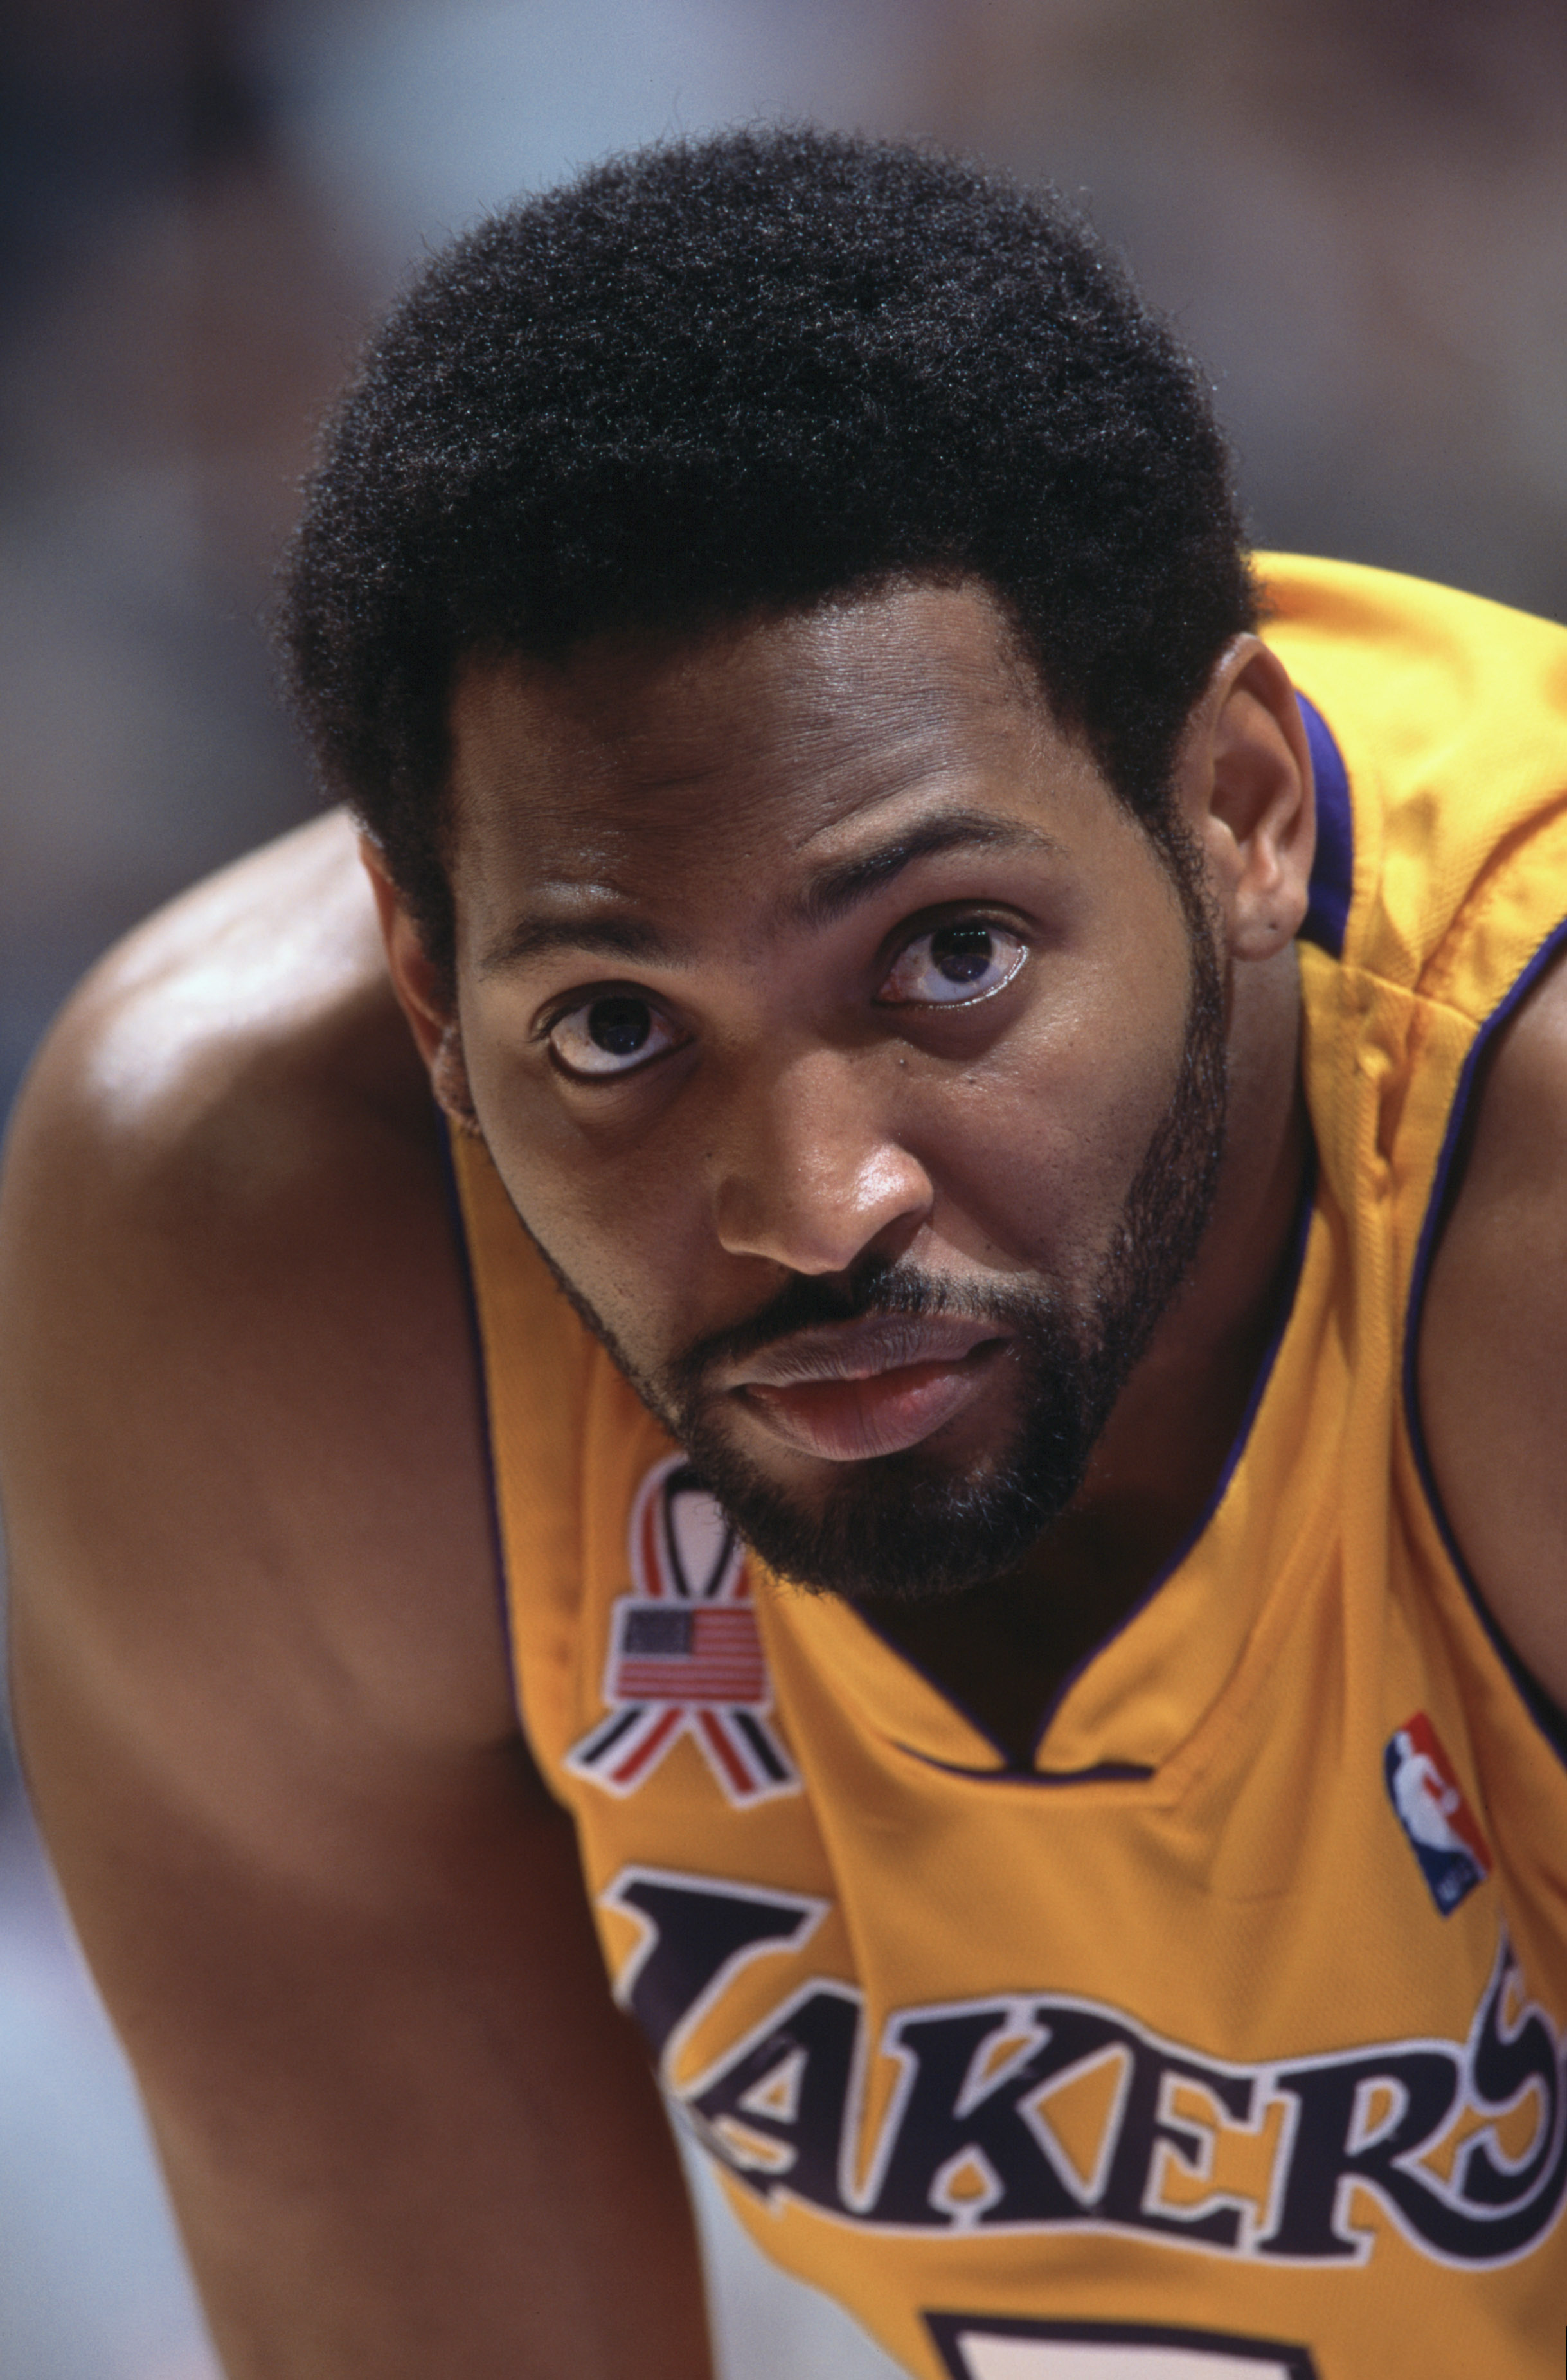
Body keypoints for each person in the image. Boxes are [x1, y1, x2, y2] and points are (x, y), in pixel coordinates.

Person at [1, 125, 1566, 2380]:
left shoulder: (1523, 1215)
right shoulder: (266, 1258)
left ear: (1242, 812)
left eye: (949, 961)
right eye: (618, 1028)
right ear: (434, 996)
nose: (817, 1203)